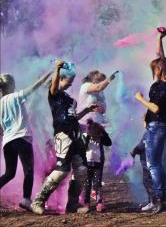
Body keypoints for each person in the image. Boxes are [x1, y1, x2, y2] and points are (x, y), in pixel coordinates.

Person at [31, 60, 101, 215]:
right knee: (62, 170)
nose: (71, 84)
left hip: (76, 135)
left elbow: (73, 117)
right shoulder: (54, 95)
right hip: (63, 135)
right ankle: (38, 201)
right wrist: (56, 68)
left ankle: (73, 204)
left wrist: (87, 110)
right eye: (69, 81)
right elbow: (54, 86)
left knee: (82, 169)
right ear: (61, 78)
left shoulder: (69, 99)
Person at [0, 70, 52, 210]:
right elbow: (36, 86)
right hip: (22, 138)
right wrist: (50, 72)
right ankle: (26, 199)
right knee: (28, 170)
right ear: (11, 85)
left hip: (8, 142)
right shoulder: (16, 96)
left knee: (9, 173)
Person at [135, 56, 166, 213]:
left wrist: (140, 99)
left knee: (153, 164)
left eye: (154, 69)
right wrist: (146, 118)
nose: (152, 72)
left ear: (159, 69)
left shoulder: (163, 86)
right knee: (153, 163)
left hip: (158, 127)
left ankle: (162, 198)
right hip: (156, 126)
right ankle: (159, 198)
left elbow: (156, 108)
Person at [81, 119, 112, 212]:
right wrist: (87, 137)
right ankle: (86, 203)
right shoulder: (85, 136)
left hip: (98, 162)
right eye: (95, 138)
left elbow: (109, 143)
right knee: (87, 184)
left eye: (99, 138)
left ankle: (99, 202)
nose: (97, 140)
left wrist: (103, 132)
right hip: (87, 163)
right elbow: (82, 147)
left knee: (97, 183)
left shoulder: (101, 136)